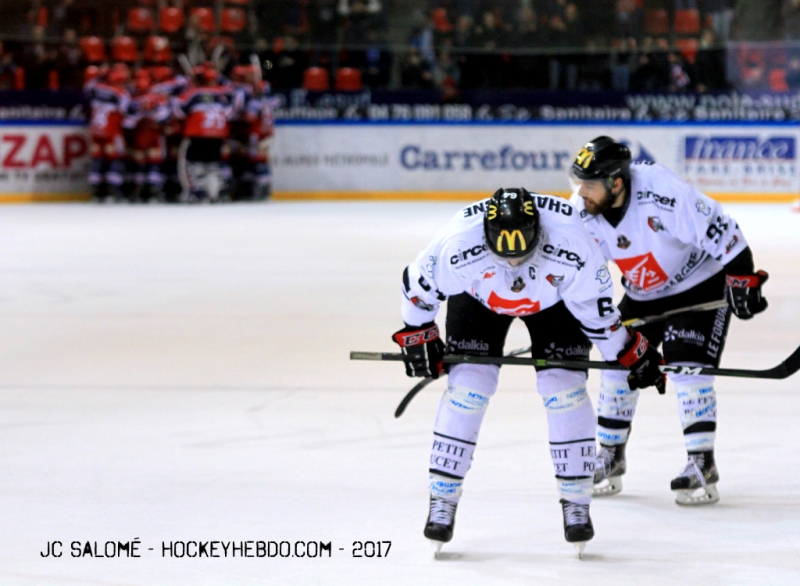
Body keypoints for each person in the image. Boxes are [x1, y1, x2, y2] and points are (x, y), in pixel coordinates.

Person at [393, 188, 666, 555]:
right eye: (505, 255)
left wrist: (629, 351)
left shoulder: (573, 241)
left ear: (540, 233)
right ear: (485, 237)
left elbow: (597, 315)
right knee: (469, 386)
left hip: (556, 303)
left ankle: (576, 505)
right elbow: (417, 289)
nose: (514, 267)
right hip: (478, 300)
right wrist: (418, 336)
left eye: (524, 253)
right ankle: (442, 501)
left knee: (564, 388)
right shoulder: (458, 240)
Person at [569, 136, 769, 505]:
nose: (582, 191)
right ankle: (610, 457)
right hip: (643, 294)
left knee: (686, 365)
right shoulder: (584, 211)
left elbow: (726, 233)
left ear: (617, 182)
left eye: (590, 184)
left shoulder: (663, 193)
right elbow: (578, 271)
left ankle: (701, 463)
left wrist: (741, 280)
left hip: (699, 287)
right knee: (617, 361)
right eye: (579, 182)